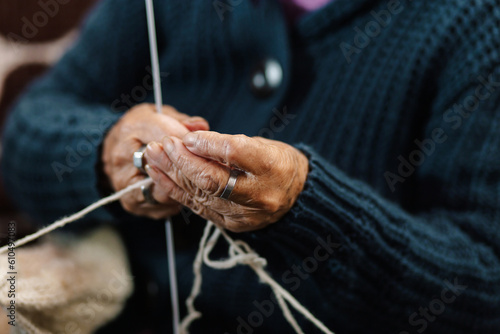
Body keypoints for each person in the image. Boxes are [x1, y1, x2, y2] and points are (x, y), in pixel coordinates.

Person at [2, 0, 500, 333]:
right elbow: (26, 132)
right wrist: (107, 152)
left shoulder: (475, 23)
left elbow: (483, 289)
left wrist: (308, 207)